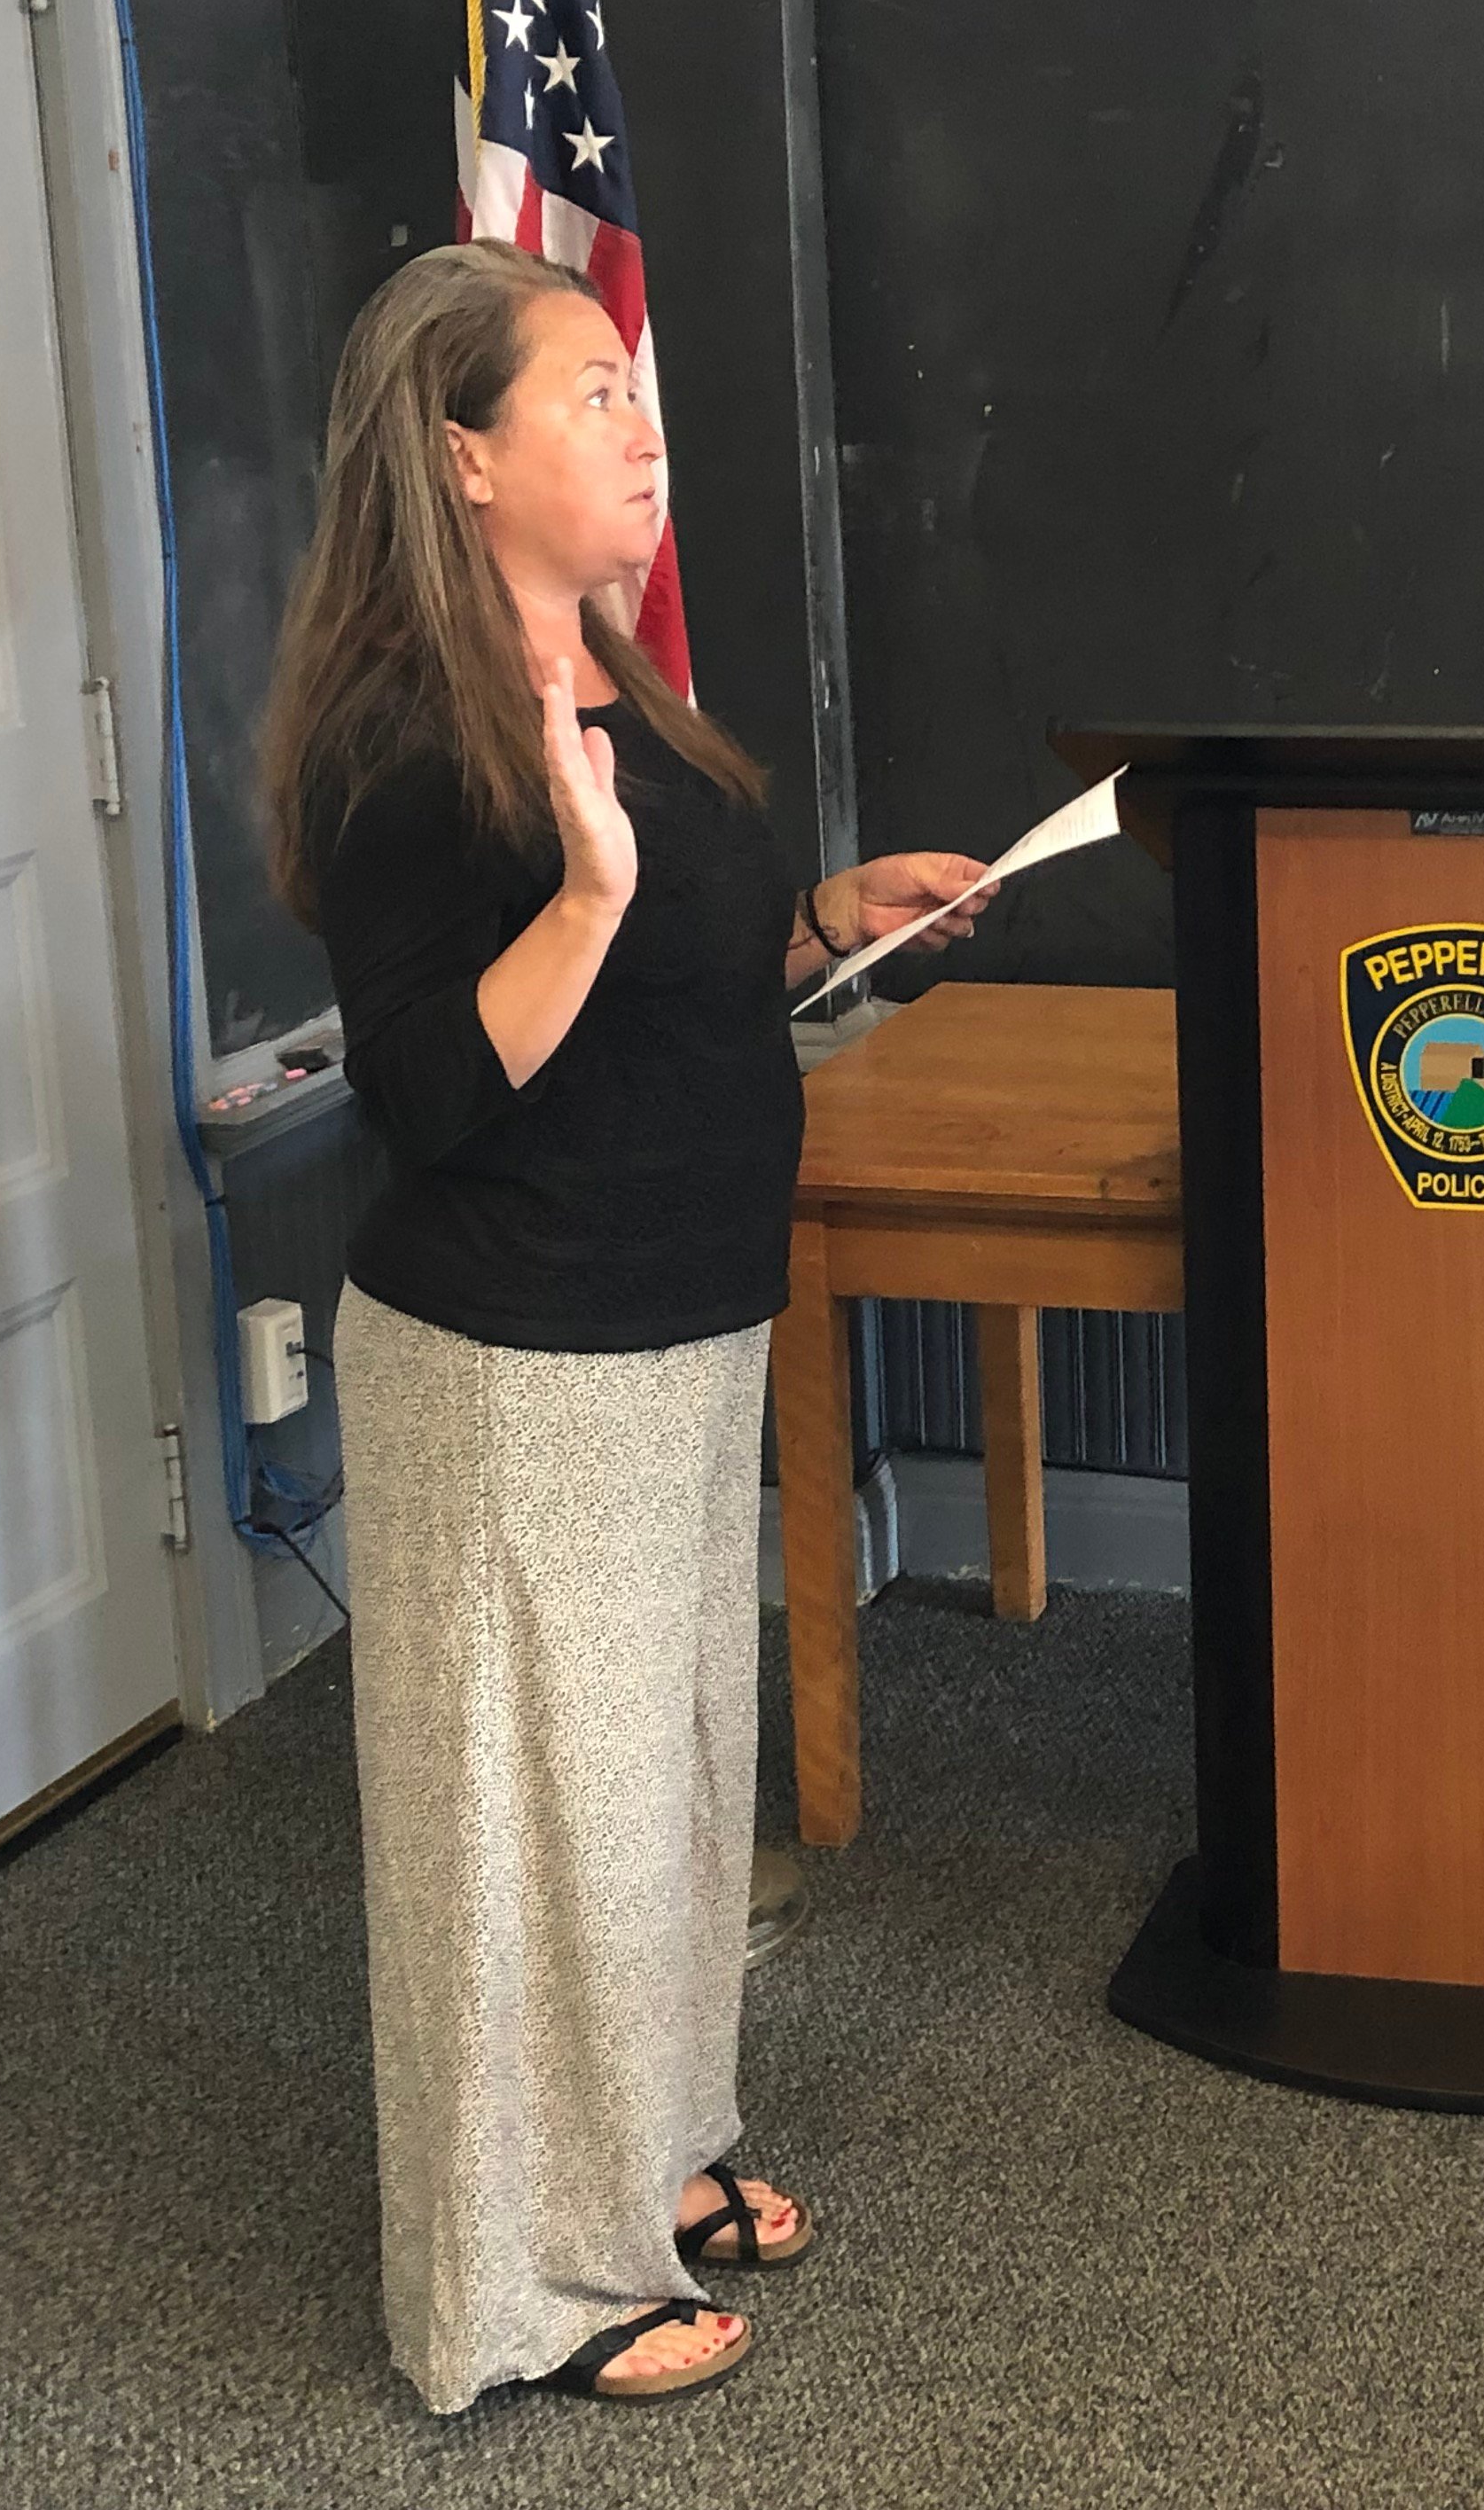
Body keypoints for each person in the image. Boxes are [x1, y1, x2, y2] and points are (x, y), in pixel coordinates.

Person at [262, 239, 995, 2412]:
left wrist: (827, 929)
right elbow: (432, 1094)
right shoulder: (407, 737)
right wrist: (582, 895)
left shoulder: (619, 685)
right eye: (588, 394)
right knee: (529, 1827)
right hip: (515, 1358)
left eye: (633, 389)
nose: (639, 423)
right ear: (462, 455)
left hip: (677, 1324)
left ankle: (650, 2162)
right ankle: (519, 2294)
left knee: (662, 1791)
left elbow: (677, 987)